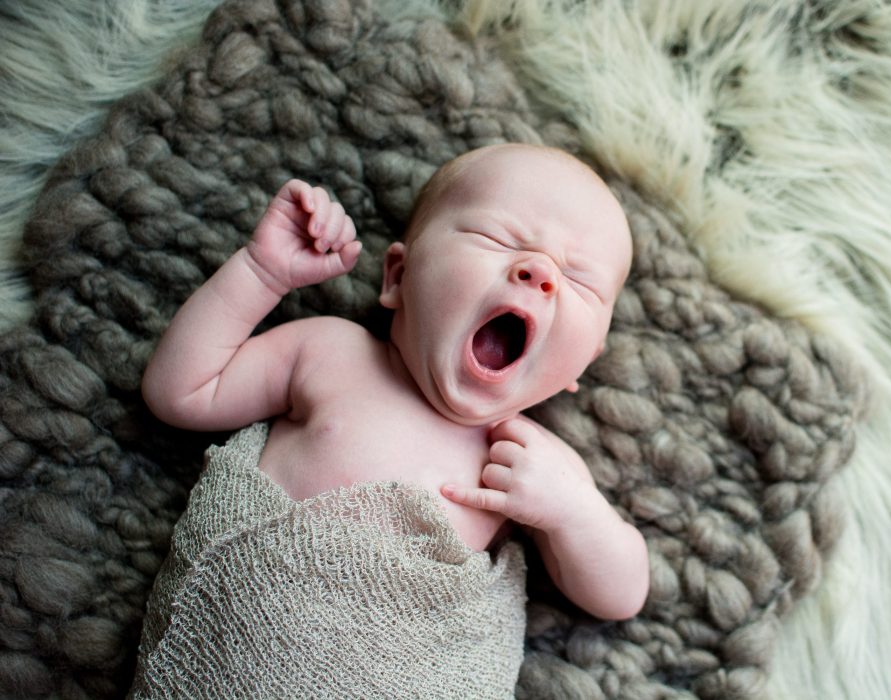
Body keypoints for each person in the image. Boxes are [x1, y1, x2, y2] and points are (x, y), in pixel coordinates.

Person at [141, 143, 649, 624]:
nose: (540, 272)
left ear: (582, 364)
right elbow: (179, 393)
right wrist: (262, 272)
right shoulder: (330, 354)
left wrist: (575, 515)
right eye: (498, 239)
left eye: (580, 281)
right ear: (398, 276)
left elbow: (621, 599)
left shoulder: (534, 463)